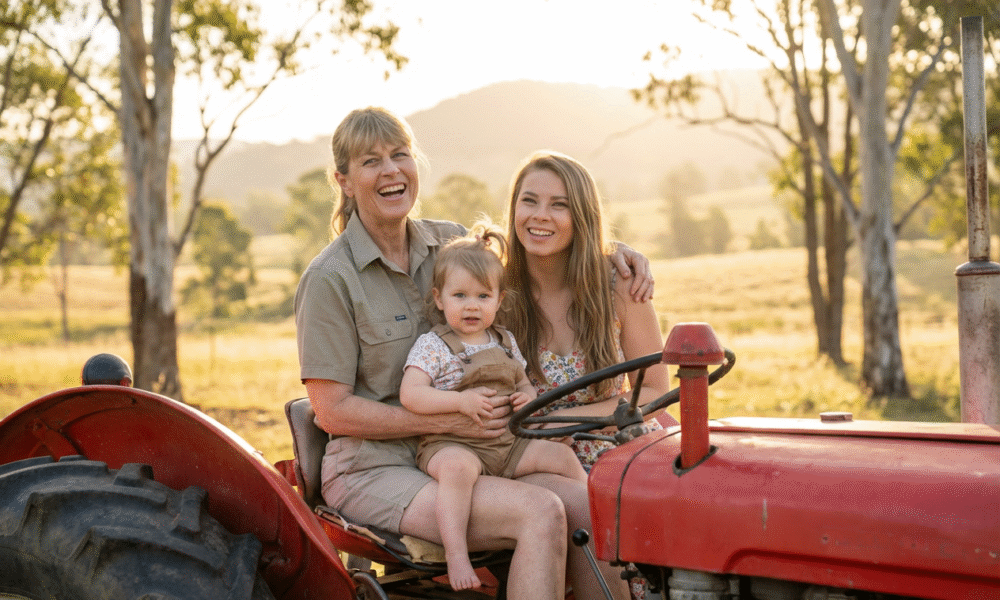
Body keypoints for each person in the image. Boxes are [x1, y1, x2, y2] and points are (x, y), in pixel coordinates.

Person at [295, 107, 649, 600]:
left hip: (472, 450)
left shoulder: (447, 242)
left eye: (400, 155)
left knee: (587, 505)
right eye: (371, 161)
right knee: (540, 512)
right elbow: (332, 411)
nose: (391, 170)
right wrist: (447, 422)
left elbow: (536, 247)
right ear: (345, 181)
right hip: (376, 467)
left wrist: (613, 256)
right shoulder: (330, 279)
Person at [504, 150, 677, 599]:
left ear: (582, 215)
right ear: (514, 209)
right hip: (539, 456)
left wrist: (565, 420)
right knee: (592, 504)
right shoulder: (496, 294)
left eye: (559, 205)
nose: (541, 216)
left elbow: (655, 387)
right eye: (530, 201)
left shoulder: (619, 283)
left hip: (615, 437)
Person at [400, 226, 588, 590]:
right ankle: (457, 556)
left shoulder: (504, 340)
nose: (472, 305)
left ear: (499, 300)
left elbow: (521, 380)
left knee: (560, 455)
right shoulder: (433, 345)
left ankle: (592, 530)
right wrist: (459, 401)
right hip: (453, 443)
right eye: (460, 295)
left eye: (483, 296)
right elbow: (412, 395)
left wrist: (526, 396)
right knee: (456, 472)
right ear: (439, 299)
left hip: (505, 443)